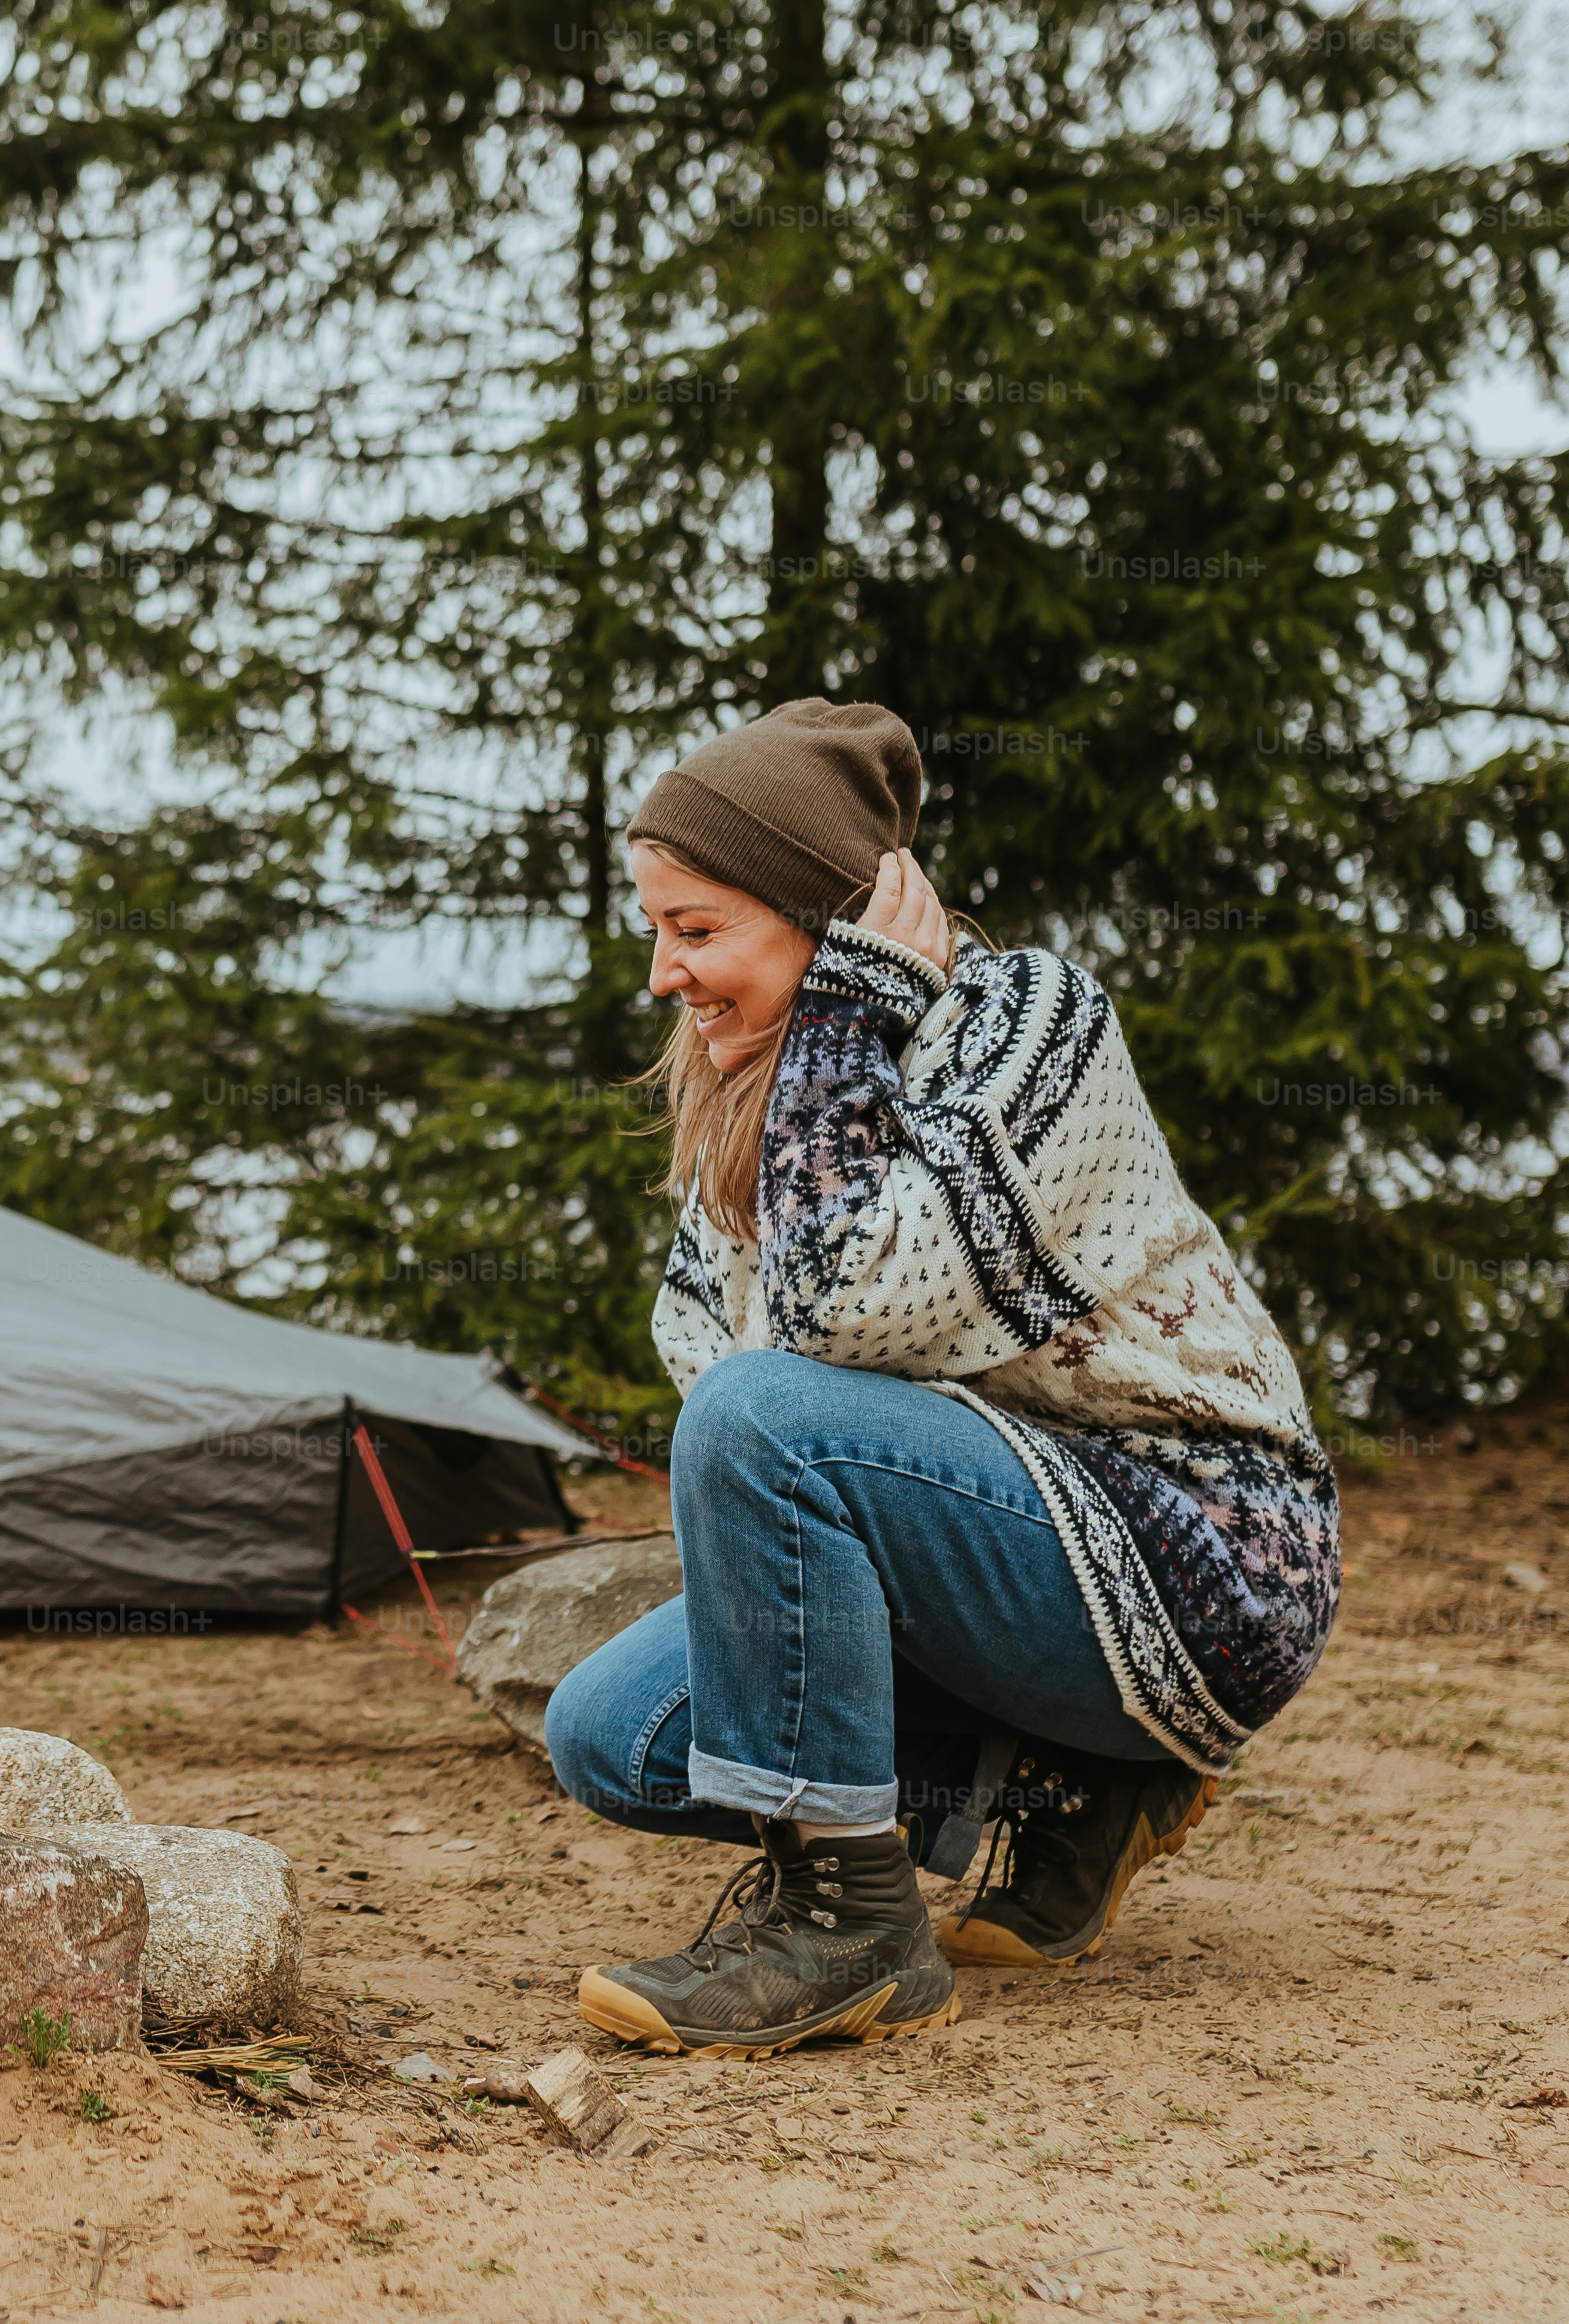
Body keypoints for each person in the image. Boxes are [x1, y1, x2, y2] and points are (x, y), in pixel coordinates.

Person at [545, 697, 1340, 2059]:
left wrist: (848, 1027)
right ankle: (1075, 1782)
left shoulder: (1030, 1025)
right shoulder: (757, 1083)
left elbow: (835, 1329)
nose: (664, 977)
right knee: (610, 1733)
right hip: (1001, 1547)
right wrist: (807, 1075)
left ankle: (845, 1931)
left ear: (822, 916)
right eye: (656, 933)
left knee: (767, 1422)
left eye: (696, 931)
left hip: (1204, 1554)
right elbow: (713, 1349)